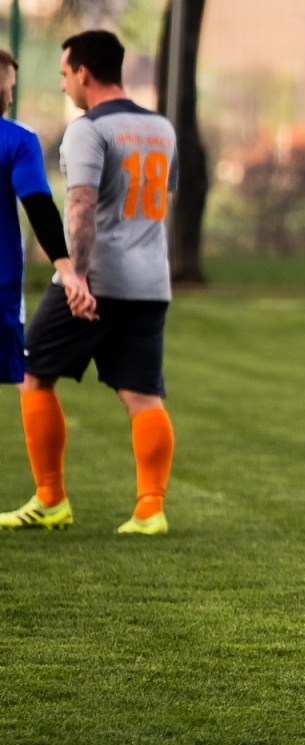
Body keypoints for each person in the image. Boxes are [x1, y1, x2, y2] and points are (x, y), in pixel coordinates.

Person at [0, 30, 177, 534]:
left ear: (83, 73)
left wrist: (74, 273)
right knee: (143, 395)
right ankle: (150, 508)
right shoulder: (162, 128)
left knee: (33, 373)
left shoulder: (88, 129)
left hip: (97, 277)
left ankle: (51, 499)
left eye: (63, 74)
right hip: (151, 281)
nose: (62, 86)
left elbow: (79, 207)